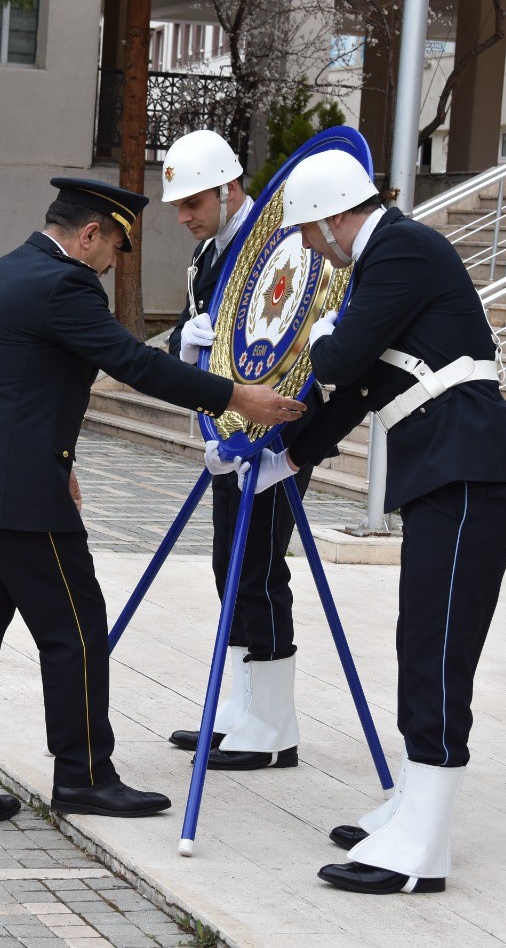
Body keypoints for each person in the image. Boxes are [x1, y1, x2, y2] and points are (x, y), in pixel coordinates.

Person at [0, 176, 306, 831]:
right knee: (74, 633)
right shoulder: (65, 284)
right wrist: (236, 397)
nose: (112, 264)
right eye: (114, 249)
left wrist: (62, 456)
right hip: (22, 497)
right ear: (89, 233)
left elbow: (22, 381)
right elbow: (136, 365)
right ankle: (85, 777)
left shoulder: (2, 271)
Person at [238, 146, 506, 894]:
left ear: (338, 215)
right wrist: (287, 457)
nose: (313, 250)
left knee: (436, 647)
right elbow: (361, 390)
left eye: (310, 234)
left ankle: (423, 847)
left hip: (468, 469)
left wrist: (318, 333)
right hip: (448, 470)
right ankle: (412, 801)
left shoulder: (401, 248)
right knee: (421, 639)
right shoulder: (388, 262)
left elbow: (341, 360)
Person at [160, 130, 322, 772]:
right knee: (229, 565)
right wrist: (188, 345)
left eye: (192, 203)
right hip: (227, 435)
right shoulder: (208, 256)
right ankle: (239, 705)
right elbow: (192, 335)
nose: (183, 217)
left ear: (229, 191)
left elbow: (302, 326)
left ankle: (275, 723)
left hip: (280, 434)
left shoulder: (282, 243)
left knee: (258, 566)